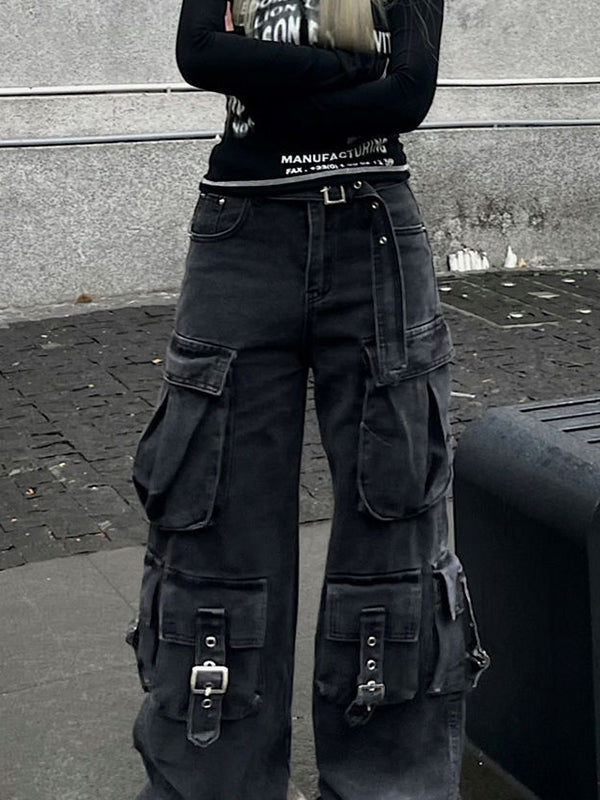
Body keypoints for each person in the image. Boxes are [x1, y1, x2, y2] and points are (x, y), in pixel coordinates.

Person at [125, 0, 492, 796]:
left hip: (374, 229)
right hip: (241, 229)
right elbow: (200, 52)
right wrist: (351, 68)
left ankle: (386, 784)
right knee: (208, 511)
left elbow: (407, 94)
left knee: (396, 513)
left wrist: (271, 87)